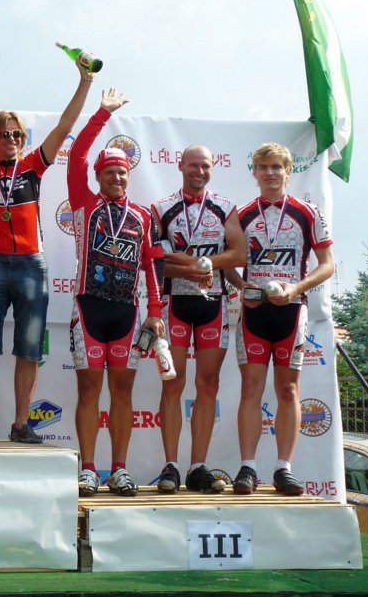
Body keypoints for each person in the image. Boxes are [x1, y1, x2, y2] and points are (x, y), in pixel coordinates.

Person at [0, 58, 94, 445]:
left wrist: (84, 82)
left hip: (32, 266)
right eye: (5, 134)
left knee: (29, 350)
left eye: (17, 133)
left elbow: (64, 127)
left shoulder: (32, 165)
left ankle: (20, 424)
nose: (12, 138)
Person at [68, 89, 165, 498]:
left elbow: (152, 266)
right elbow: (76, 156)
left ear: (129, 175)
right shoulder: (83, 203)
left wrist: (155, 310)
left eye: (122, 173)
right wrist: (102, 114)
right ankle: (89, 469)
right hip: (88, 309)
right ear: (98, 176)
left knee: (123, 391)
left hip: (127, 313)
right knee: (89, 390)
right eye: (109, 172)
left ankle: (120, 470)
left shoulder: (142, 216)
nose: (117, 178)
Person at [224, 142, 334, 496]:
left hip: (291, 310)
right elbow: (227, 264)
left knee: (288, 390)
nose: (270, 173)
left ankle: (283, 469)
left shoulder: (307, 213)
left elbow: (327, 264)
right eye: (264, 167)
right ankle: (247, 467)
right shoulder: (242, 215)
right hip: (255, 313)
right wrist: (242, 286)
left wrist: (296, 288)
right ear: (254, 172)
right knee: (250, 389)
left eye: (277, 167)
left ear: (289, 171)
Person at [151, 145, 246, 494]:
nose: (199, 171)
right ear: (180, 165)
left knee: (208, 384)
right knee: (172, 383)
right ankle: (171, 466)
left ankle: (198, 466)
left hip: (214, 304)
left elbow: (239, 253)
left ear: (213, 168)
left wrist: (205, 264)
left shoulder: (224, 207)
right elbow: (155, 261)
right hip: (174, 302)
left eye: (205, 166)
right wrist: (189, 270)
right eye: (193, 165)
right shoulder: (161, 208)